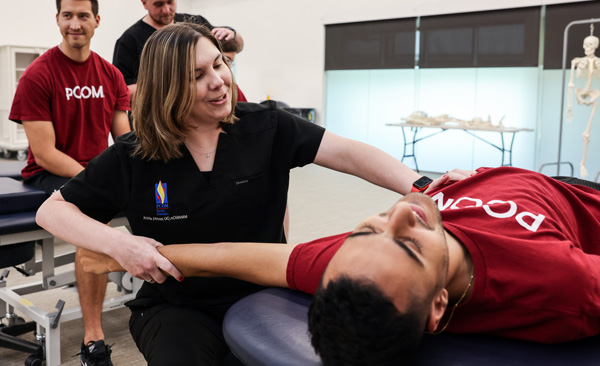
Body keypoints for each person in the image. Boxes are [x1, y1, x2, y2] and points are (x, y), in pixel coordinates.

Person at [36, 22, 432, 366]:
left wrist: (423, 186)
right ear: (168, 86)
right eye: (196, 75)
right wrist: (120, 246)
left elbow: (349, 152)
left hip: (266, 292)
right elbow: (52, 212)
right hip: (177, 305)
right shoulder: (135, 152)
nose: (218, 80)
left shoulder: (267, 126)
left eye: (219, 64)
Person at [75, 167, 600, 365]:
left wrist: (125, 250)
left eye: (366, 227)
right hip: (574, 194)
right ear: (438, 305)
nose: (399, 212)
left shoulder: (355, 265)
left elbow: (245, 257)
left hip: (470, 178)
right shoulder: (562, 286)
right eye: (409, 243)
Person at [8, 0, 130, 366]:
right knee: (93, 214)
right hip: (50, 173)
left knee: (164, 196)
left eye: (82, 16)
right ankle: (93, 339)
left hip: (95, 170)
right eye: (67, 15)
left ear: (97, 20)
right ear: (58, 19)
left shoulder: (110, 75)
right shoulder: (38, 75)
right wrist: (97, 179)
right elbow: (44, 152)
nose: (74, 24)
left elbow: (123, 137)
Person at [113, 0, 244, 101]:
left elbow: (237, 46)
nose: (166, 10)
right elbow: (122, 91)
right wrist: (170, 82)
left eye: (170, 1)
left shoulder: (194, 22)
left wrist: (233, 33)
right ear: (144, 3)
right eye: (158, 4)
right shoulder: (129, 40)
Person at [567, 32, 600, 178]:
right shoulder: (577, 61)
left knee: (587, 133)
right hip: (580, 94)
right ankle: (582, 164)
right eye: (585, 45)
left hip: (593, 94)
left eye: (590, 45)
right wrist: (569, 107)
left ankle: (583, 163)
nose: (587, 48)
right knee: (585, 133)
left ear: (595, 47)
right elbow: (573, 80)